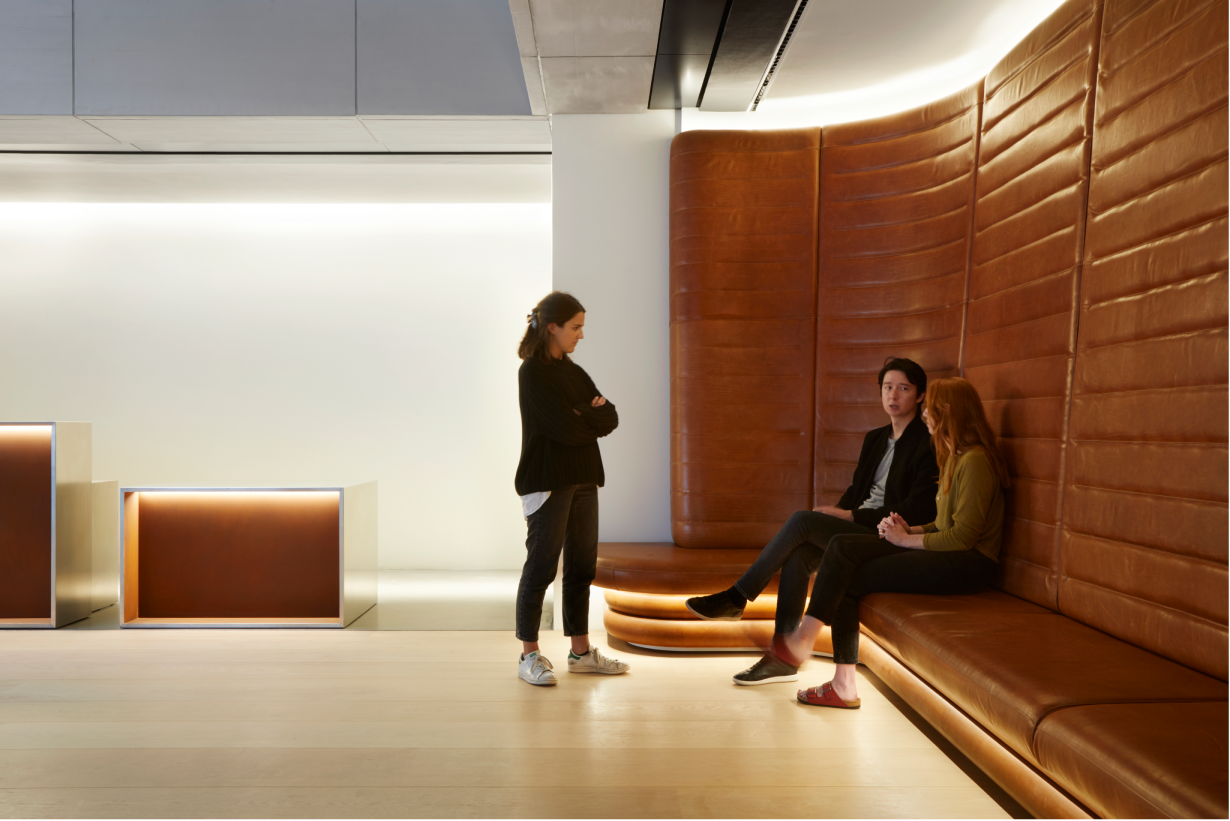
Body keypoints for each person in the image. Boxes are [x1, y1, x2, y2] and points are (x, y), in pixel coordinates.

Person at [685, 357, 939, 685]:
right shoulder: (875, 438)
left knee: (802, 522)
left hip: (889, 533)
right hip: (858, 524)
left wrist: (848, 515)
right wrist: (836, 512)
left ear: (919, 396)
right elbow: (858, 490)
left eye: (903, 388)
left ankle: (738, 597)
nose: (893, 395)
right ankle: (782, 658)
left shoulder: (927, 441)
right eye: (887, 387)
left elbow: (918, 508)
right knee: (801, 552)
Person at [770, 377, 1009, 707]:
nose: (924, 415)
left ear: (946, 411)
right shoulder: (955, 457)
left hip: (969, 564)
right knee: (842, 545)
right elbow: (942, 526)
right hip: (952, 553)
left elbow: (965, 537)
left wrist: (907, 541)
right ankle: (829, 667)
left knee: (847, 575)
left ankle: (817, 652)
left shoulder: (976, 462)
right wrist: (907, 529)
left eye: (928, 410)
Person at [513, 291, 630, 686]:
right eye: (575, 327)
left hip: (583, 479)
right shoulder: (532, 373)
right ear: (553, 327)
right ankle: (529, 655)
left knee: (581, 568)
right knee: (540, 569)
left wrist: (588, 414)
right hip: (548, 483)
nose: (581, 335)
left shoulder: (573, 371)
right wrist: (586, 413)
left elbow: (610, 416)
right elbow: (562, 429)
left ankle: (580, 653)